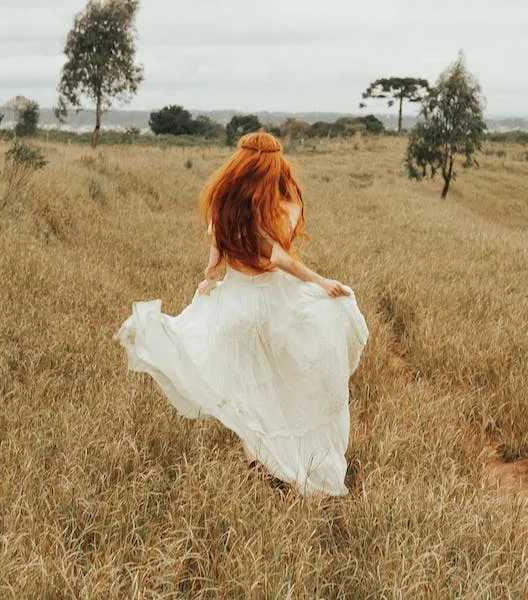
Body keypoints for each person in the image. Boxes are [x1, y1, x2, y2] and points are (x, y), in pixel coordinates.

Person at [115, 131, 369, 495]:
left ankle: (255, 460)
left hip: (234, 308)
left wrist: (207, 284)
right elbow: (280, 258)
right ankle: (281, 463)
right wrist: (322, 281)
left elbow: (214, 265)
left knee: (244, 391)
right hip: (273, 307)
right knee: (280, 383)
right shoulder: (280, 209)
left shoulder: (222, 207)